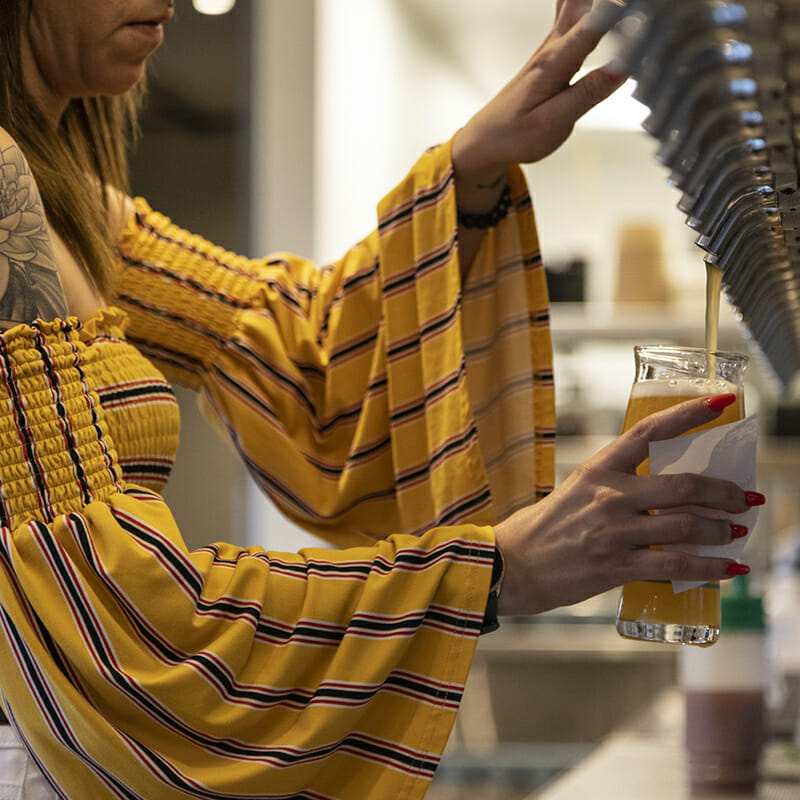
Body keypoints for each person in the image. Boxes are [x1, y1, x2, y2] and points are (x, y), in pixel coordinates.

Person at [0, 0, 760, 797]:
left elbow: (307, 361)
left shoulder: (82, 212)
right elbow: (119, 620)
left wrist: (467, 169)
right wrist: (498, 570)